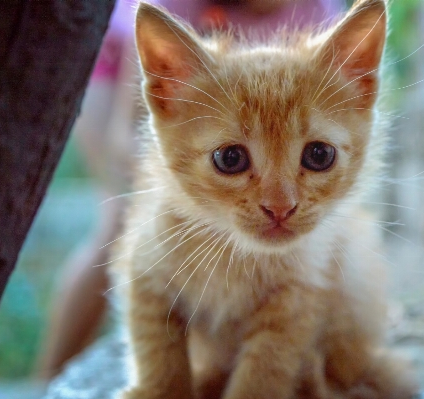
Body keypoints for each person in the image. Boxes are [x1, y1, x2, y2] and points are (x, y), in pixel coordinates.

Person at [37, 0, 344, 380]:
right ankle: (48, 376)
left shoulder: (318, 9)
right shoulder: (173, 4)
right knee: (119, 224)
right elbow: (124, 136)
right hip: (117, 73)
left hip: (247, 108)